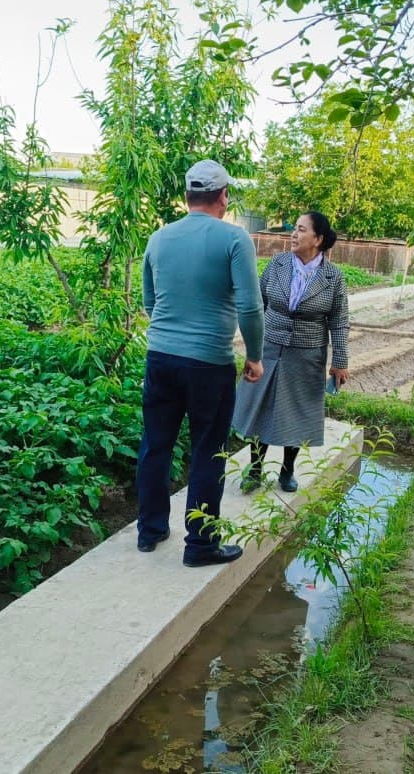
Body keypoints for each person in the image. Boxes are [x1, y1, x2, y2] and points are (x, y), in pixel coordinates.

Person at [136, 159, 265, 567]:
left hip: (160, 358)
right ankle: (201, 545)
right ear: (223, 196)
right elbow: (250, 307)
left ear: (187, 196)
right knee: (208, 450)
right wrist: (255, 356)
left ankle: (150, 531)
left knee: (156, 445)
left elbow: (150, 302)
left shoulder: (159, 238)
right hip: (209, 363)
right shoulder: (234, 239)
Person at [232, 211, 350, 493]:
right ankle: (256, 468)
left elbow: (339, 320)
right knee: (262, 406)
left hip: (307, 354)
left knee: (296, 411)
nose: (294, 234)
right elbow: (259, 303)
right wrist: (252, 347)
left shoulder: (333, 277)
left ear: (318, 239)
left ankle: (287, 471)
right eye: (295, 229)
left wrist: (340, 361)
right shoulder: (278, 263)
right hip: (270, 347)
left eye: (301, 229)